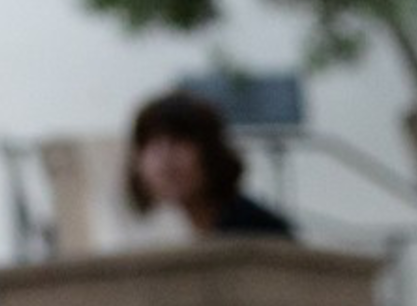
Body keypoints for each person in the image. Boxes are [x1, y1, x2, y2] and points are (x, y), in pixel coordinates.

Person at [127, 89, 296, 241]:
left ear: (211, 153)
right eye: (153, 143)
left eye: (179, 140)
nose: (166, 157)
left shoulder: (257, 232)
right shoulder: (173, 227)